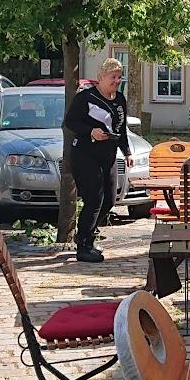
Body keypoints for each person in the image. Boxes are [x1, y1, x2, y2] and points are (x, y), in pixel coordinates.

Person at [63, 58, 130, 264]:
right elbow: (70, 122)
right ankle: (84, 246)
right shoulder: (86, 98)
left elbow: (121, 127)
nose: (117, 81)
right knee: (94, 198)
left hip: (108, 155)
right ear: (101, 78)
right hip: (84, 154)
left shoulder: (119, 99)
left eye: (119, 77)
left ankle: (86, 231)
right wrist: (91, 131)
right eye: (113, 77)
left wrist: (127, 152)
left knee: (110, 199)